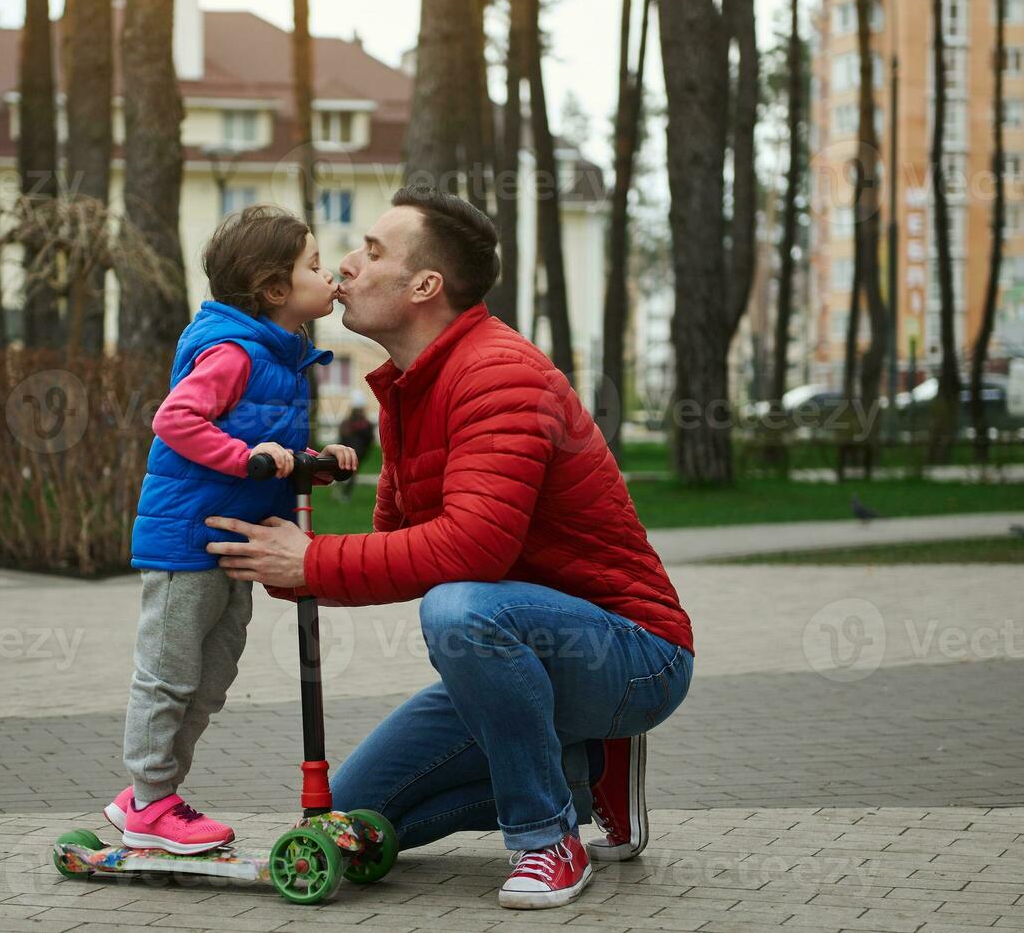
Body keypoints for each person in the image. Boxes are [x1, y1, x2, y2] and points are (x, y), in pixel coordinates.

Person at [203, 187, 694, 909]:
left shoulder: (499, 374)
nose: (344, 266)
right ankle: (589, 770)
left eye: (372, 253)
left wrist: (312, 561)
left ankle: (546, 838)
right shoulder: (410, 388)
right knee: (353, 815)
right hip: (519, 649)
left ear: (425, 286)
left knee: (459, 608)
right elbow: (400, 548)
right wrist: (296, 560)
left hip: (631, 654)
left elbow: (472, 551)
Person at [107, 206, 358, 855]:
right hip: (188, 543)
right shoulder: (232, 352)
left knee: (210, 681)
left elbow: (266, 444)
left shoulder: (286, 354)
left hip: (234, 545)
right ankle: (151, 800)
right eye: (313, 264)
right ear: (276, 290)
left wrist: (316, 463)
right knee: (169, 675)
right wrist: (244, 459)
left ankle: (147, 800)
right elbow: (178, 422)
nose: (327, 274)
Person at [334, 394, 375, 501]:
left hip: (354, 454)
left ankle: (344, 493)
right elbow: (370, 440)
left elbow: (369, 440)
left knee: (347, 473)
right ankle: (344, 493)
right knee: (348, 473)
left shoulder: (348, 423)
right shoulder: (365, 424)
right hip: (354, 454)